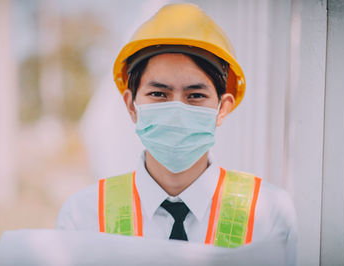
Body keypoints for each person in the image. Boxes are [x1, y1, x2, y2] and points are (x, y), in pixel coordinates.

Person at [56, 3, 297, 265]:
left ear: (223, 108)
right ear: (131, 105)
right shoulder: (84, 216)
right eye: (159, 94)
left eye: (195, 95)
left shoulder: (268, 213)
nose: (176, 110)